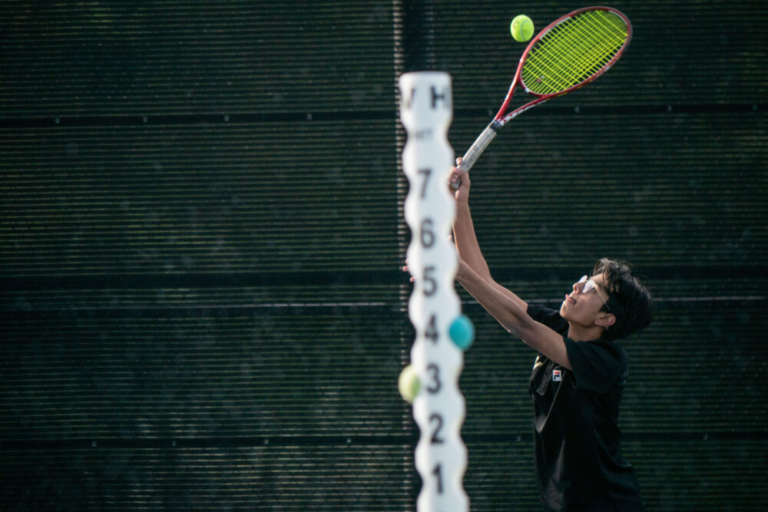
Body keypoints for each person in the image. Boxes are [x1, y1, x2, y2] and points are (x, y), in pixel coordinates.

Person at [449, 159, 652, 511]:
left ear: (605, 319)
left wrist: (451, 268)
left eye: (592, 288)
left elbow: (520, 326)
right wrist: (460, 205)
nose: (578, 285)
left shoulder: (607, 361)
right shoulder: (560, 327)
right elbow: (485, 280)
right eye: (585, 279)